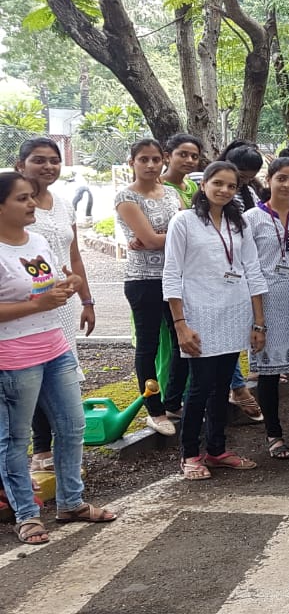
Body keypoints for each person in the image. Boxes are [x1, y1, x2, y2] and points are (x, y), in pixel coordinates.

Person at [0, 172, 115, 545]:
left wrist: (71, 287)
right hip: (14, 357)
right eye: (22, 198)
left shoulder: (37, 240)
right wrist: (35, 304)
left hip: (56, 347)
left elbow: (51, 286)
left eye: (31, 197)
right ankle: (27, 515)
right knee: (15, 440)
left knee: (72, 426)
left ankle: (71, 501)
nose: (32, 203)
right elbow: (30, 301)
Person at [163, 162, 268, 480]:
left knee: (223, 386)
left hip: (235, 312)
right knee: (199, 387)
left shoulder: (239, 225)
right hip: (199, 314)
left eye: (231, 186)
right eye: (217, 183)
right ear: (204, 185)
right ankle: (190, 454)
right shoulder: (184, 222)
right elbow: (171, 274)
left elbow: (253, 270)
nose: (224, 190)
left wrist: (258, 322)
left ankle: (218, 450)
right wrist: (181, 323)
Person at [17, 138, 95, 473]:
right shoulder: (12, 203)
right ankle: (39, 450)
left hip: (62, 303)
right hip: (25, 303)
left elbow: (74, 255)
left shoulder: (63, 203)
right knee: (31, 373)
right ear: (21, 165)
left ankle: (58, 448)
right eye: (39, 160)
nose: (48, 166)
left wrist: (87, 299)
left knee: (57, 372)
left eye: (54, 160)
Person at [115, 139, 184, 436]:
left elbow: (185, 231)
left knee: (183, 343)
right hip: (143, 280)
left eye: (156, 159)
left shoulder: (171, 193)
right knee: (148, 346)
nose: (151, 165)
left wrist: (158, 237)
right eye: (143, 159)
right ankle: (154, 410)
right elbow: (155, 240)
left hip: (176, 277)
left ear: (164, 160)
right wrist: (166, 236)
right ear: (132, 162)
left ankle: (173, 402)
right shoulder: (126, 197)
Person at [245, 157, 289, 460]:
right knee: (269, 372)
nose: (286, 185)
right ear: (269, 179)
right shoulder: (251, 219)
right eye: (281, 178)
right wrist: (256, 320)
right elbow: (248, 266)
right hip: (266, 301)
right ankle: (274, 433)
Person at [216, 141, 265, 422]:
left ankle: (236, 384)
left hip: (244, 268)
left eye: (248, 177)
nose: (241, 181)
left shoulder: (248, 192)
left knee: (239, 330)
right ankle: (237, 386)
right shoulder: (218, 188)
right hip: (222, 273)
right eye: (242, 175)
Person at [161, 134, 203, 208]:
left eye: (194, 157)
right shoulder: (158, 185)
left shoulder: (192, 185)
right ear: (167, 157)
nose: (190, 160)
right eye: (183, 155)